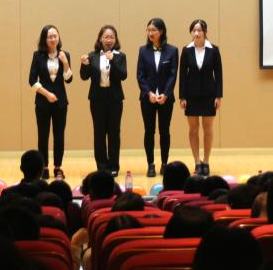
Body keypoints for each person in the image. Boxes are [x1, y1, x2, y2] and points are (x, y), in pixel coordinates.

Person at [80, 24, 127, 176]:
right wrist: (84, 65)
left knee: (114, 133)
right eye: (106, 37)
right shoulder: (92, 56)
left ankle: (113, 166)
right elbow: (84, 76)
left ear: (115, 40)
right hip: (97, 100)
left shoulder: (120, 56)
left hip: (115, 100)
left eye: (112, 37)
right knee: (99, 133)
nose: (109, 40)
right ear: (100, 39)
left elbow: (123, 75)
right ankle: (102, 166)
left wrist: (112, 60)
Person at [178, 19, 223, 177]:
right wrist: (182, 96)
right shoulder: (186, 50)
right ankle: (197, 162)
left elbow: (219, 74)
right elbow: (182, 75)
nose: (196, 33)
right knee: (193, 129)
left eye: (199, 30)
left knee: (208, 128)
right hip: (191, 96)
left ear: (205, 32)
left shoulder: (214, 50)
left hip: (209, 95)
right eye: (194, 30)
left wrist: (218, 95)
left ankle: (206, 161)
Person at [28, 24, 73, 180]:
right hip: (43, 102)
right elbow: (32, 80)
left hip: (61, 103)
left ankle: (58, 167)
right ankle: (44, 167)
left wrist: (65, 63)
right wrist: (47, 94)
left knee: (59, 135)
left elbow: (69, 79)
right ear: (44, 39)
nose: (53, 39)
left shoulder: (65, 54)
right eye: (50, 37)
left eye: (55, 36)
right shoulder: (37, 56)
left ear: (59, 37)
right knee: (43, 135)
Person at [136, 17, 177, 178]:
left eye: (153, 30)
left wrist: (166, 94)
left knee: (164, 131)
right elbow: (140, 75)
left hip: (166, 98)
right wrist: (148, 93)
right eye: (148, 30)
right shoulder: (143, 50)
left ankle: (164, 164)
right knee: (149, 131)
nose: (150, 33)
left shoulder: (172, 50)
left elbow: (173, 75)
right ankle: (151, 164)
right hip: (148, 98)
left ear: (161, 31)